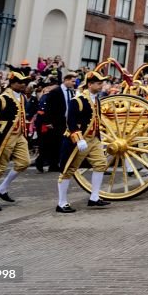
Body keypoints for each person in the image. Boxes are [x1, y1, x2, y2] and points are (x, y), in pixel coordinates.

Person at [55, 71, 111, 213]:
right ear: (90, 84)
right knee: (68, 170)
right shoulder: (77, 100)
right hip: (78, 140)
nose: (101, 86)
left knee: (101, 164)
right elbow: (71, 122)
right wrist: (79, 139)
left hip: (93, 139)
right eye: (98, 83)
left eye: (101, 83)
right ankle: (61, 203)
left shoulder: (97, 99)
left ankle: (94, 197)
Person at [0, 72, 32, 211]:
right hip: (4, 137)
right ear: (12, 82)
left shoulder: (22, 97)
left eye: (25, 82)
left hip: (19, 135)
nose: (23, 84)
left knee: (24, 162)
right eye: (20, 82)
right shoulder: (1, 99)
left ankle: (3, 188)